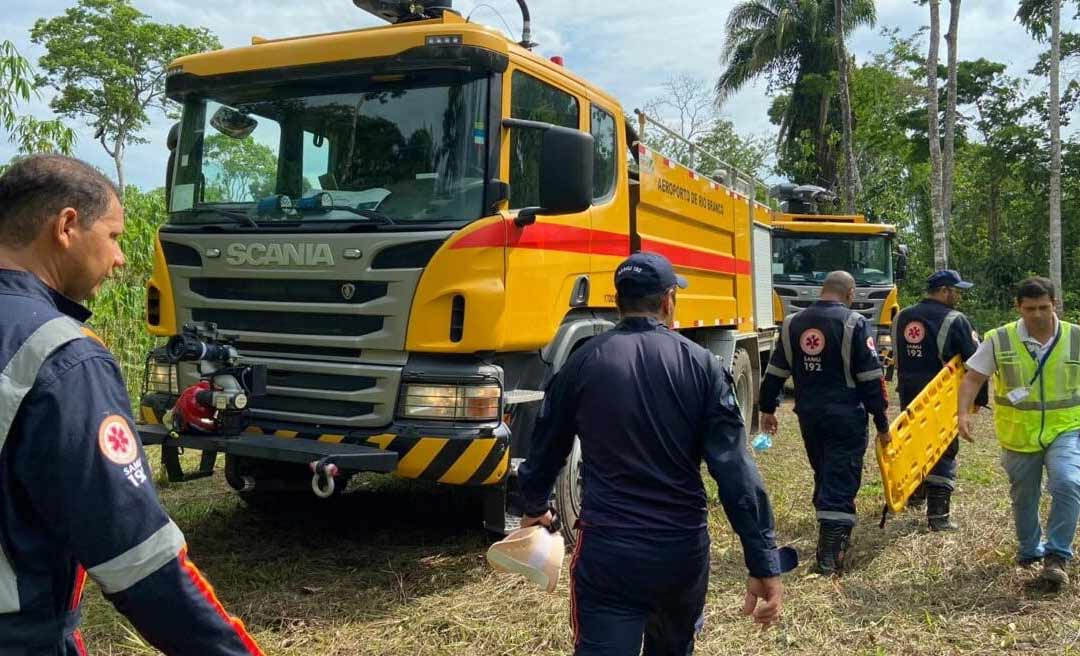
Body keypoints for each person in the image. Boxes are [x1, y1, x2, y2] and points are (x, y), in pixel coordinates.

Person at [0, 155, 263, 655]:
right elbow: (138, 559)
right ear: (67, 226)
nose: (120, 259)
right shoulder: (60, 355)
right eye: (115, 236)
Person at [517, 252, 784, 655]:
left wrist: (534, 503)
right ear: (668, 300)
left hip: (609, 551)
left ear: (618, 301)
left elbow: (545, 444)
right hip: (680, 552)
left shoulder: (583, 363)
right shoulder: (702, 366)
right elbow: (734, 470)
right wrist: (762, 560)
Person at [758, 271, 889, 575]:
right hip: (846, 415)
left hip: (809, 415)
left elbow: (775, 371)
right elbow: (871, 378)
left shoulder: (792, 323)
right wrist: (882, 422)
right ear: (850, 293)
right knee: (841, 476)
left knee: (825, 470)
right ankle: (829, 557)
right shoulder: (855, 323)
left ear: (823, 290)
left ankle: (830, 537)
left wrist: (767, 408)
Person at [958, 277, 1080, 589]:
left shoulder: (1076, 337)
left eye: (1043, 307)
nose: (1037, 315)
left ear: (1055, 304)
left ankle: (1057, 556)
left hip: (1066, 428)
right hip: (1019, 433)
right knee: (1024, 494)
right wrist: (962, 414)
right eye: (1030, 309)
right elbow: (973, 378)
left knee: (1068, 483)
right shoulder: (1000, 339)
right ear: (1018, 307)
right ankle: (1029, 549)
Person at [893, 270, 987, 530]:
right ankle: (938, 516)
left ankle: (914, 493)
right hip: (940, 396)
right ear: (945, 291)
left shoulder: (902, 316)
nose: (958, 296)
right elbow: (975, 362)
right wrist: (978, 398)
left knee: (913, 442)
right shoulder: (955, 319)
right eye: (956, 291)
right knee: (944, 448)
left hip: (909, 393)